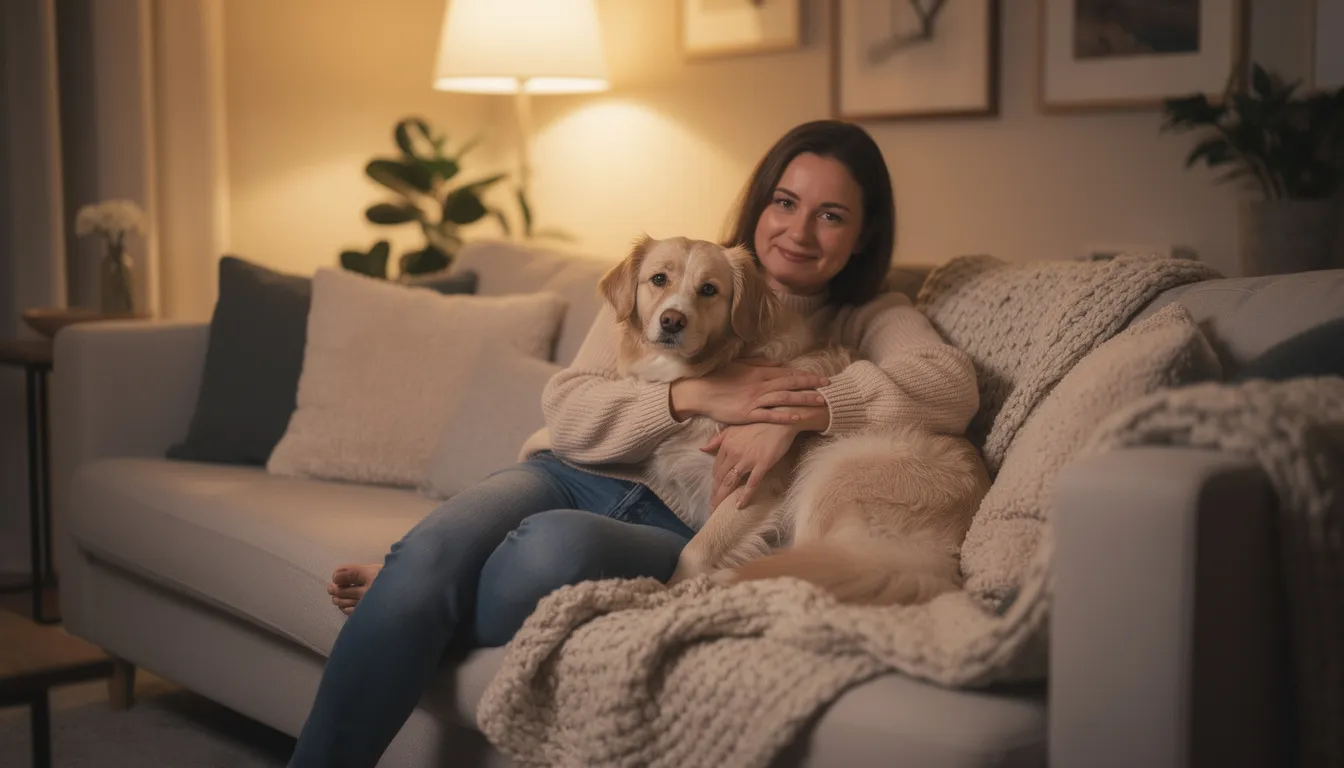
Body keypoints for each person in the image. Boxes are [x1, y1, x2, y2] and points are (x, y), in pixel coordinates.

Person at [287, 120, 979, 767]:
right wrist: (692, 395)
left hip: (676, 518)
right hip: (572, 470)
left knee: (547, 549)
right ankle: (413, 594)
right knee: (428, 551)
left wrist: (800, 410)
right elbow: (570, 410)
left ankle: (411, 602)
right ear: (760, 204)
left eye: (831, 215)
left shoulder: (867, 316)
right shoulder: (669, 271)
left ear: (861, 235)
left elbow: (948, 386)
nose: (799, 230)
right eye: (785, 202)